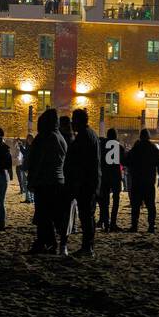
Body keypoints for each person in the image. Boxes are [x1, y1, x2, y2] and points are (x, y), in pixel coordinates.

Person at [27, 110, 69, 255]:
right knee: (52, 215)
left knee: (43, 215)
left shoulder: (46, 137)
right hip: (58, 181)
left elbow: (39, 160)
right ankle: (52, 243)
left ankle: (46, 243)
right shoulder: (60, 137)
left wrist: (32, 179)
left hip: (45, 181)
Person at [65, 108, 101, 255]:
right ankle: (88, 246)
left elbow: (80, 163)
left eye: (74, 120)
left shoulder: (84, 137)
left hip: (86, 183)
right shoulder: (91, 134)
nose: (72, 123)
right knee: (88, 215)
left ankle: (88, 247)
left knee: (86, 216)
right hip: (91, 181)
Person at [124, 129, 159, 233]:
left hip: (137, 180)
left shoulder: (136, 148)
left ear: (140, 137)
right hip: (149, 181)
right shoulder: (153, 148)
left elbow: (127, 161)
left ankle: (134, 226)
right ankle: (151, 226)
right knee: (150, 205)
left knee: (135, 205)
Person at [98, 128, 123, 230]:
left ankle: (106, 222)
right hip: (115, 176)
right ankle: (113, 222)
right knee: (116, 200)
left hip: (105, 176)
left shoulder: (102, 146)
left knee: (105, 201)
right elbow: (124, 160)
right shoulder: (118, 146)